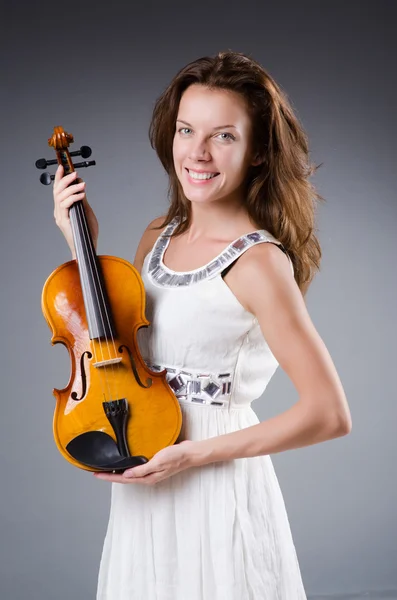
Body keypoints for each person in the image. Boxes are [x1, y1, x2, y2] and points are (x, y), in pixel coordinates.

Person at [53, 50, 352, 600]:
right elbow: (124, 352)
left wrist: (194, 455)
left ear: (259, 152)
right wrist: (83, 248)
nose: (198, 151)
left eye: (224, 136)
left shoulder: (259, 262)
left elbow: (329, 414)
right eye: (187, 129)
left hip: (214, 473)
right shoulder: (157, 235)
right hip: (147, 465)